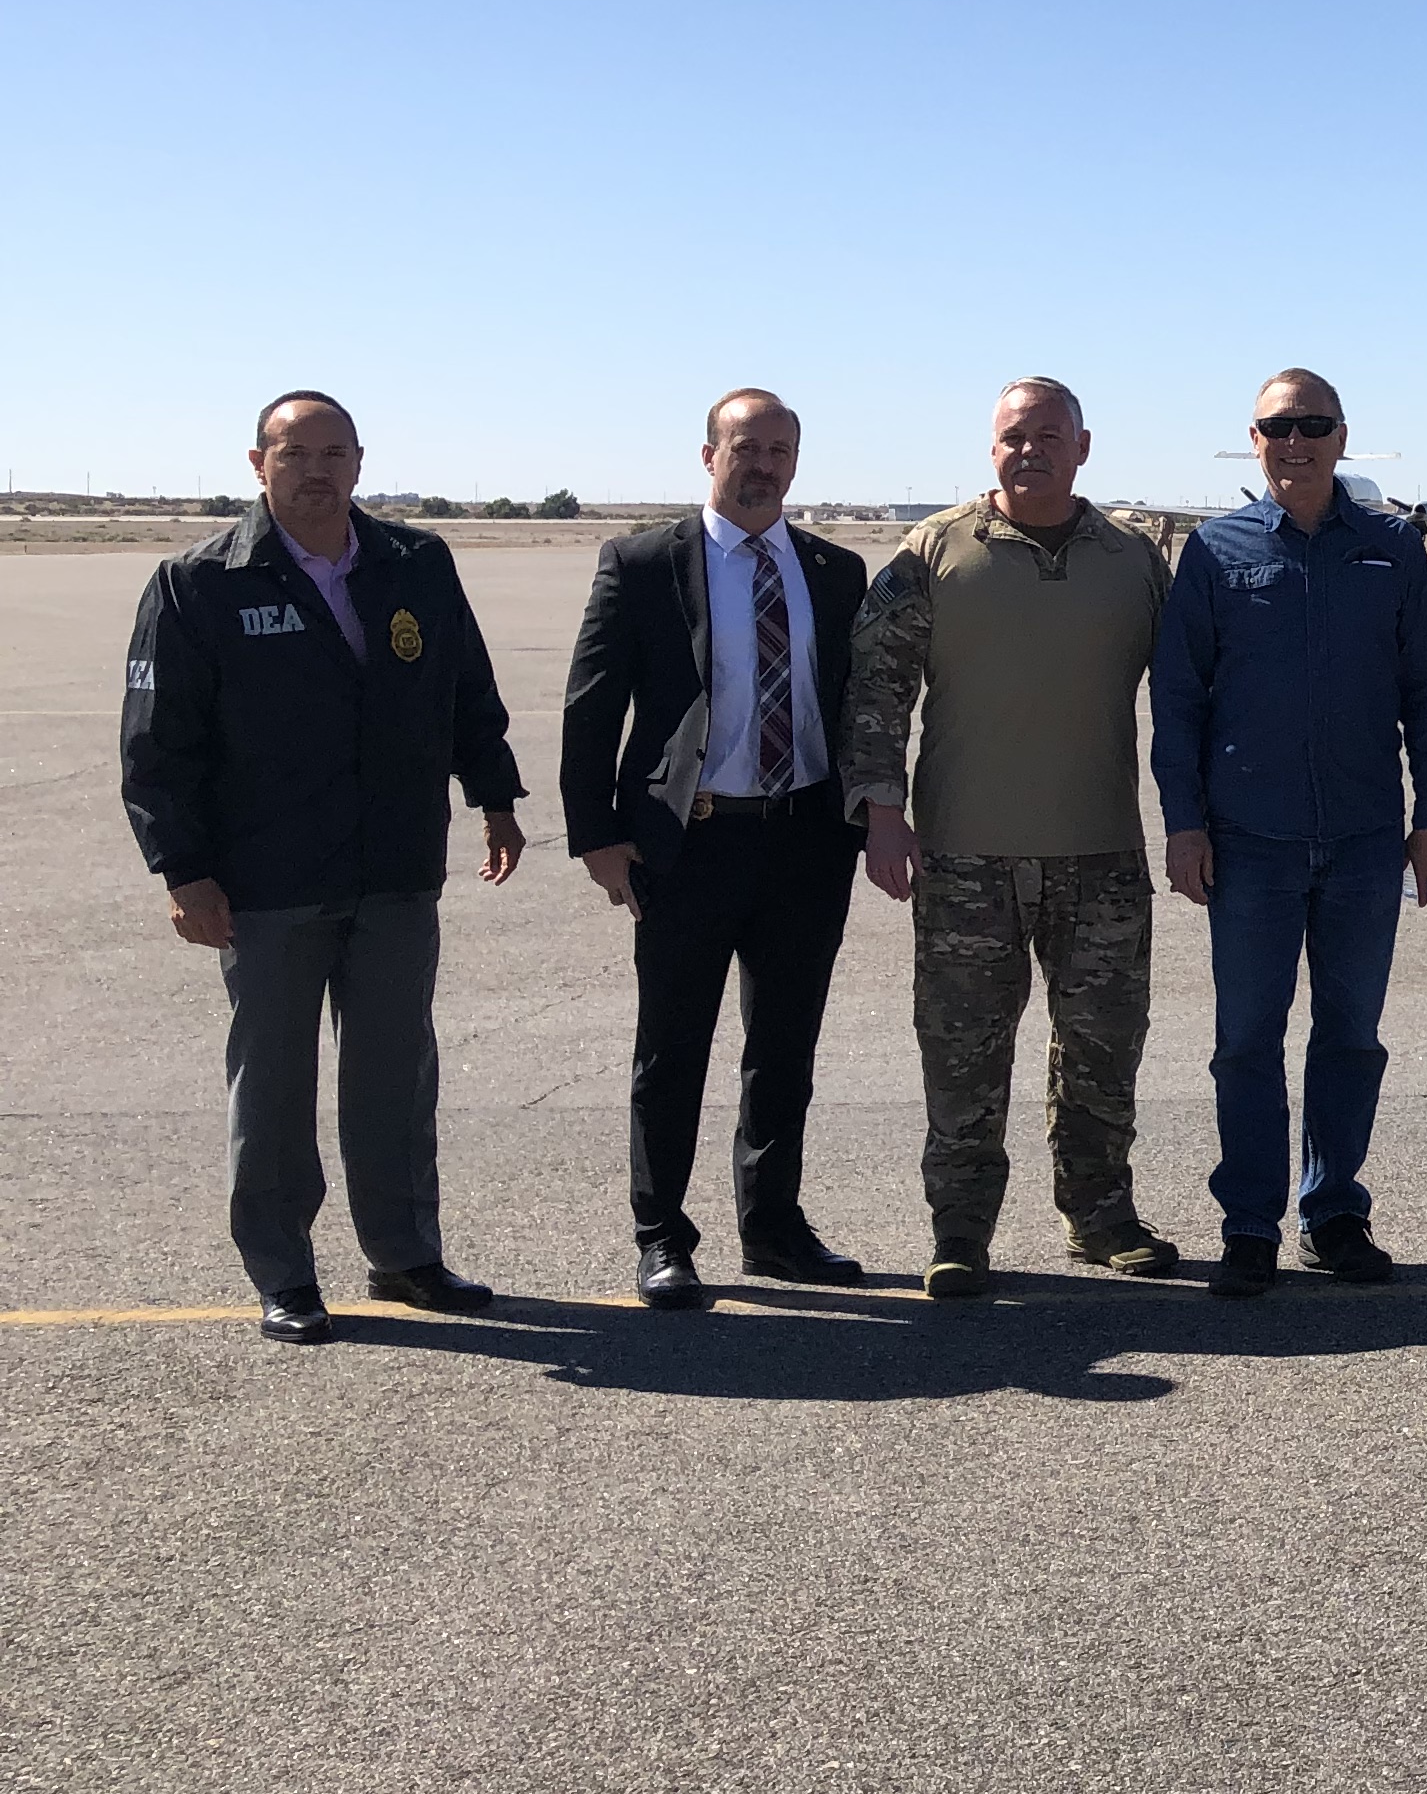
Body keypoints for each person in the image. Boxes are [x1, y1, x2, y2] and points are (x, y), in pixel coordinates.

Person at [117, 391, 525, 1342]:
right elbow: (155, 745)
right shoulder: (199, 583)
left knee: (394, 1076)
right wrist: (181, 870)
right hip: (266, 882)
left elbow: (466, 686)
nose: (316, 471)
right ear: (258, 465)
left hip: (393, 869)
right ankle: (285, 1273)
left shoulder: (416, 562)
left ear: (359, 463)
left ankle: (406, 1256)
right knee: (272, 1084)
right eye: (295, 454)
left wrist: (494, 796)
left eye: (334, 453)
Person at [846, 377, 1177, 1300]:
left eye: (1046, 436)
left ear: (1083, 446)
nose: (1027, 450)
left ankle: (1100, 1212)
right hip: (965, 858)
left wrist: (1198, 818)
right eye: (1010, 436)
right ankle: (960, 1230)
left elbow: (1191, 695)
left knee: (1104, 1049)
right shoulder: (935, 551)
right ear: (991, 448)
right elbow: (877, 689)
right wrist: (881, 812)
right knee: (962, 1055)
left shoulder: (1132, 558)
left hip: (1102, 852)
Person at [558, 388, 872, 1309]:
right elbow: (591, 709)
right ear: (708, 456)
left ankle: (773, 1228)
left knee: (784, 1047)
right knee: (673, 1048)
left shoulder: (833, 570)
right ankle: (662, 1236)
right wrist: (599, 839)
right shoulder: (646, 561)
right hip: (687, 846)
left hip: (806, 841)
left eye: (780, 449)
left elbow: (857, 703)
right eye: (746, 447)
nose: (763, 464)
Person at [1152, 370, 1427, 1299]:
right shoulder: (1214, 552)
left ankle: (1333, 1211)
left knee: (1351, 1035)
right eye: (1279, 427)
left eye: (1313, 425)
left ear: (1341, 436)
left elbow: (1423, 697)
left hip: (1367, 838)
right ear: (1254, 440)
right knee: (1247, 1038)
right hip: (1251, 841)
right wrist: (1184, 824)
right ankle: (1249, 1220)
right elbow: (1179, 702)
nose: (1297, 442)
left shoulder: (1392, 549)